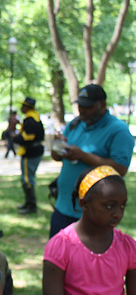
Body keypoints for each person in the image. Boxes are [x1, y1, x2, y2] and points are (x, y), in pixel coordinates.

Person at [43, 165, 136, 295]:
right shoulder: (61, 246)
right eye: (109, 206)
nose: (117, 213)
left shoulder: (127, 246)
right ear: (84, 204)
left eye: (122, 206)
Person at [49, 84, 134, 237]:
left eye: (87, 106)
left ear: (102, 105)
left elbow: (120, 169)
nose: (82, 110)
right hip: (62, 208)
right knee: (57, 257)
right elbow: (57, 158)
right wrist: (58, 148)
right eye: (80, 105)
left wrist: (83, 155)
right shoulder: (75, 124)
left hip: (92, 216)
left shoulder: (118, 130)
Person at [12, 97, 44, 214]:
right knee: (27, 178)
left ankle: (31, 205)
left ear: (27, 107)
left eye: (23, 106)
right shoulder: (35, 117)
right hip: (35, 150)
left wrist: (15, 138)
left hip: (31, 152)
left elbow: (27, 138)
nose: (21, 108)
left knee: (27, 180)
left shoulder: (30, 120)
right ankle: (28, 203)